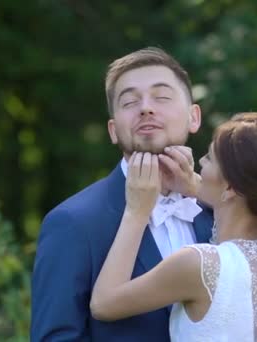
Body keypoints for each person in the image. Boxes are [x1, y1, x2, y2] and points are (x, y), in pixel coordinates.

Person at [31, 47, 214, 341]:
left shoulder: (222, 210)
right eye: (129, 101)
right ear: (114, 130)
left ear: (194, 117)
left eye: (162, 97)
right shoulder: (72, 223)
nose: (145, 108)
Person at [91, 112, 257, 341]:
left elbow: (103, 304)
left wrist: (136, 212)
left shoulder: (200, 264)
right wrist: (195, 188)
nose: (199, 163)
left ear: (230, 189)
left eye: (209, 158)